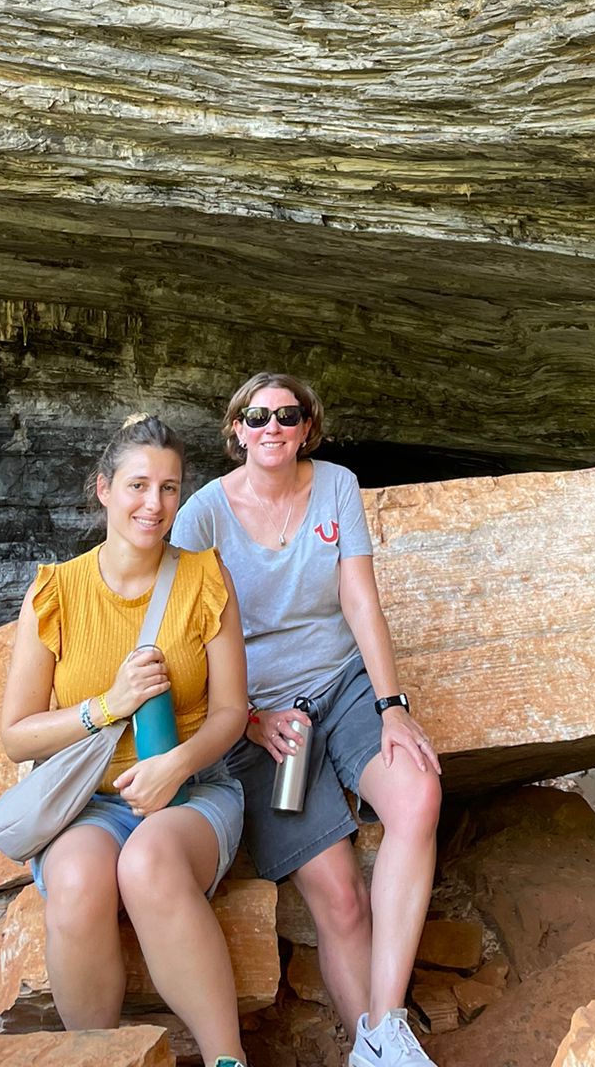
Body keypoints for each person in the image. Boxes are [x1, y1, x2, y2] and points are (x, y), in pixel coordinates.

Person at [172, 373, 443, 1067]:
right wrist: (249, 720)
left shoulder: (336, 487)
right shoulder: (202, 515)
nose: (272, 427)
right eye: (257, 416)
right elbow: (186, 642)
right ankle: (368, 1049)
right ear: (236, 429)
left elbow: (359, 600)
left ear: (306, 428)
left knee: (417, 794)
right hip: (261, 720)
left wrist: (392, 706)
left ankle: (387, 1031)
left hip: (343, 685)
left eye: (286, 416)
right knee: (341, 899)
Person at [0, 413, 251, 1067]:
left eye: (170, 488)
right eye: (139, 485)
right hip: (92, 799)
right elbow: (16, 736)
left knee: (148, 865)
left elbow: (231, 711)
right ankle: (101, 1056)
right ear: (103, 489)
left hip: (194, 791)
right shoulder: (55, 592)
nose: (155, 504)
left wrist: (176, 765)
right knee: (80, 881)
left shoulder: (205, 576)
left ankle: (228, 1059)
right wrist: (106, 706)